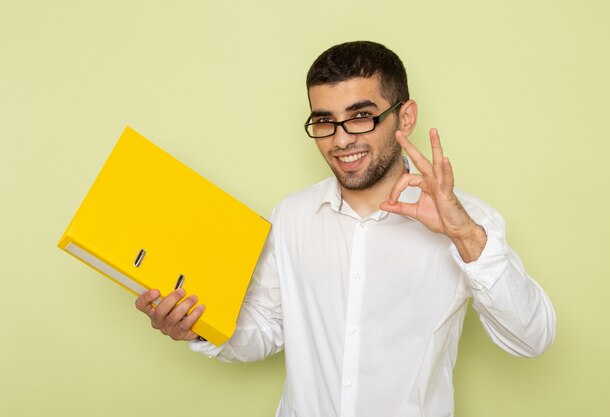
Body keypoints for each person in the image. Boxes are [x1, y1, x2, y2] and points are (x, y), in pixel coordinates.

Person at [135, 41, 556, 417]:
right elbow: (264, 329)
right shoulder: (292, 216)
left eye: (361, 117)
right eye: (324, 122)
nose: (340, 140)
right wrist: (201, 328)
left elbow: (532, 339)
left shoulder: (468, 221)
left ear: (404, 117)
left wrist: (465, 236)